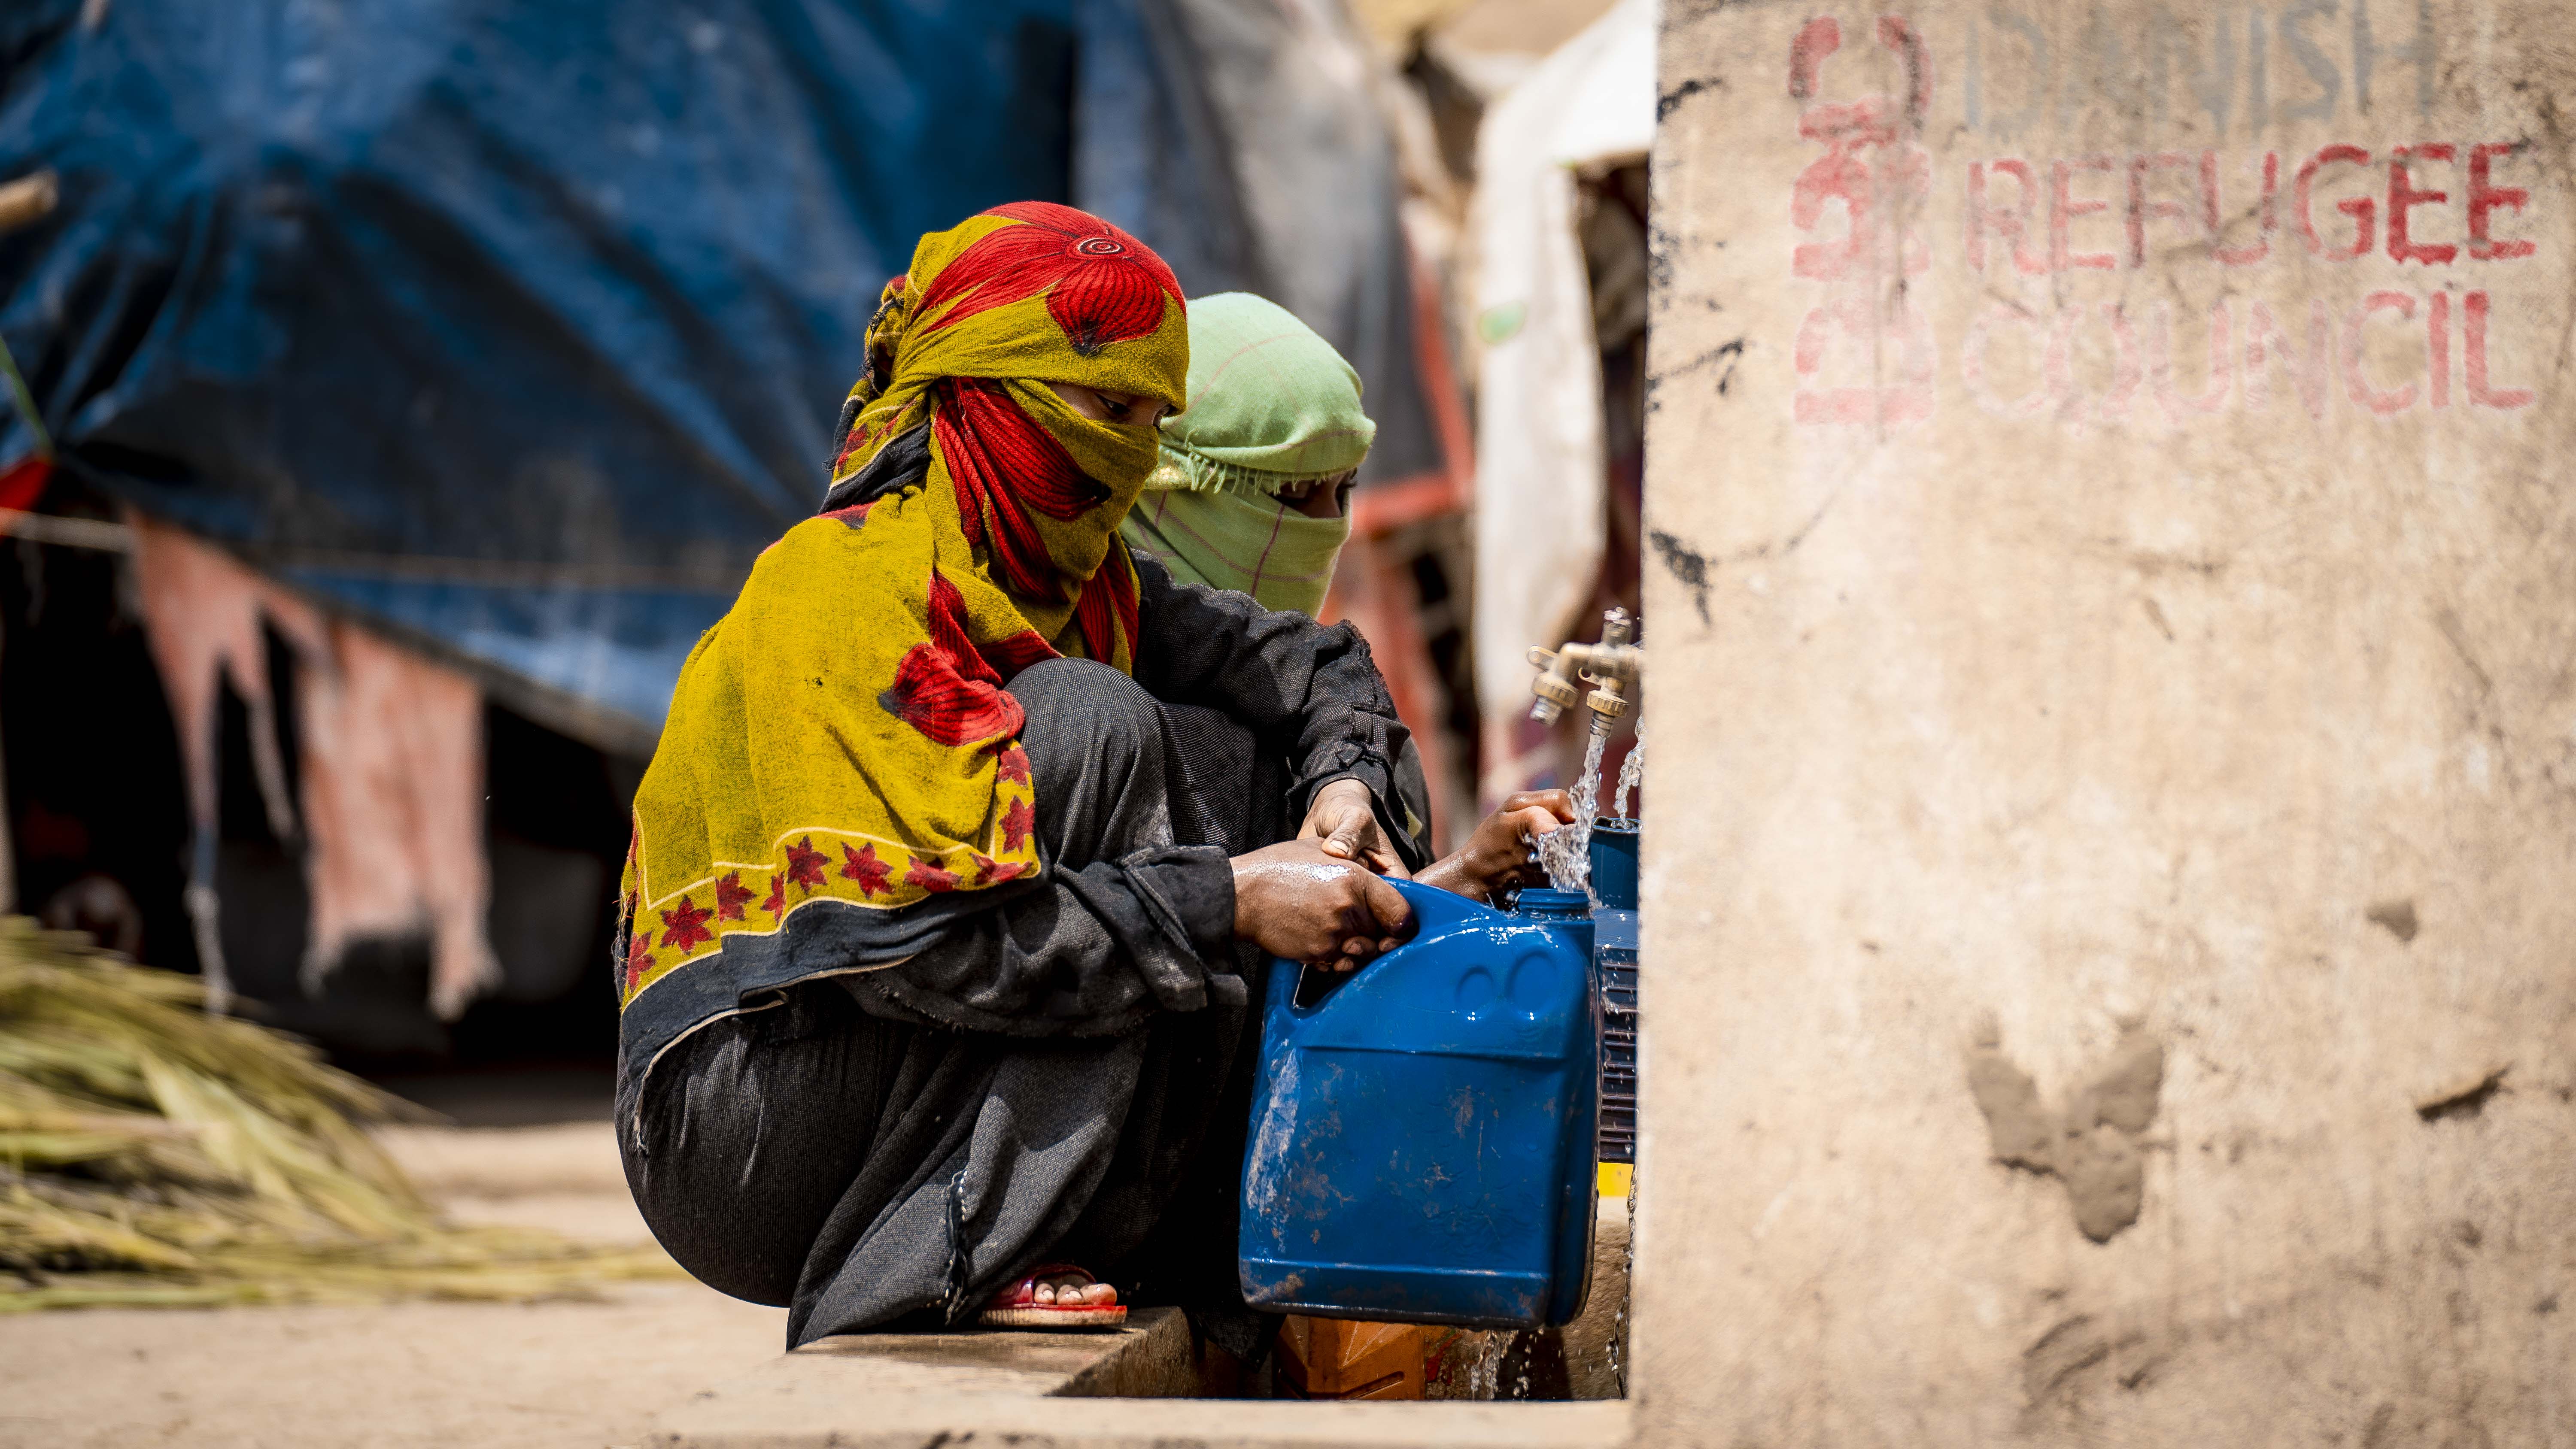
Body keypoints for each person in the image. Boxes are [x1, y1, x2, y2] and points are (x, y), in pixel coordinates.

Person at [617, 204, 1439, 1355]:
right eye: (1107, 411)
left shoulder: (1081, 579)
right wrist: (1234, 898)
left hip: (869, 1059)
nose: (1131, 457)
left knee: (1238, 750)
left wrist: (1345, 788)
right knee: (1095, 721)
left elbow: (1308, 663)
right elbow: (916, 947)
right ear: (984, 394)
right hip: (737, 1119)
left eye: (1154, 421)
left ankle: (1145, 1231)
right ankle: (950, 1248)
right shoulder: (844, 597)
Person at [1120, 291, 1572, 903]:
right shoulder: (1092, 708)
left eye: (1344, 490)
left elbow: (1340, 952)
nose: (1327, 524)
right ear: (1169, 481)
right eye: (1293, 491)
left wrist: (1474, 873)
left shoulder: (1345, 719)